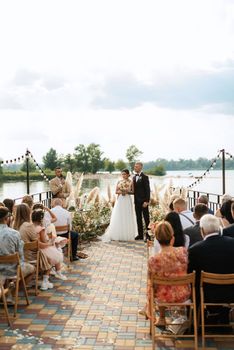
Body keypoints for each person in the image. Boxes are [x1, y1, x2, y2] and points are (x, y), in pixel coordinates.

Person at [188, 214, 234, 322]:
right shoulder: (232, 243)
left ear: (202, 230)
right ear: (219, 228)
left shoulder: (195, 249)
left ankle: (199, 321)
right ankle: (223, 317)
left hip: (206, 295)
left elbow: (190, 275)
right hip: (232, 293)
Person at [144, 221, 190, 325]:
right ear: (172, 237)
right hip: (183, 294)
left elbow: (152, 283)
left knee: (155, 286)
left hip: (163, 297)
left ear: (157, 239)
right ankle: (181, 316)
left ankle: (162, 318)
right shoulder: (182, 252)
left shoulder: (154, 260)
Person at [0, 207, 35, 291]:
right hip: (11, 270)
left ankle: (6, 292)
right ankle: (11, 293)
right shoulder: (14, 233)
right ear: (7, 218)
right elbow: (20, 256)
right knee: (32, 269)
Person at [102, 169, 138, 242]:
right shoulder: (119, 181)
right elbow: (116, 191)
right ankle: (117, 234)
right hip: (120, 200)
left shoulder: (131, 181)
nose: (123, 175)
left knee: (127, 215)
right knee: (119, 215)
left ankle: (126, 235)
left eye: (125, 174)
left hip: (127, 199)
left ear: (128, 174)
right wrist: (121, 191)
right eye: (122, 174)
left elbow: (133, 192)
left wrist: (127, 191)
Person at [133, 162, 150, 240]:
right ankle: (140, 235)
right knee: (138, 218)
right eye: (135, 166)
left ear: (141, 167)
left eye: (136, 166)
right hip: (136, 202)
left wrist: (146, 201)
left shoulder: (145, 177)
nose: (135, 167)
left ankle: (148, 235)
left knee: (146, 218)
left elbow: (148, 190)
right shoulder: (134, 177)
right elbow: (134, 190)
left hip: (144, 202)